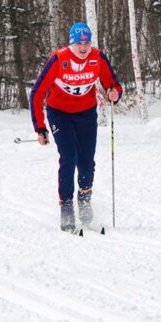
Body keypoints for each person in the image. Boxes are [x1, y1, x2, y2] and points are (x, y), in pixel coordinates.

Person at [29, 22, 122, 232]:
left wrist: (114, 93)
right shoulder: (59, 59)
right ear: (72, 43)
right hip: (59, 113)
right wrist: (40, 127)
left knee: (86, 160)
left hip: (86, 113)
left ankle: (84, 197)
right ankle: (67, 205)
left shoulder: (97, 58)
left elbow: (112, 84)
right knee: (69, 156)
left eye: (87, 42)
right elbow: (37, 93)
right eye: (79, 43)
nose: (83, 47)